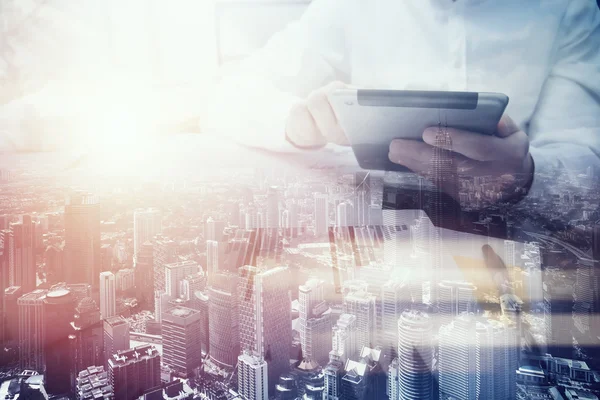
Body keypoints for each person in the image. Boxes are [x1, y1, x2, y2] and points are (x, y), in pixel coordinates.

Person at [205, 0, 600, 203]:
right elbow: (228, 96)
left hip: (509, 248)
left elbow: (587, 152)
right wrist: (298, 122)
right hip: (376, 244)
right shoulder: (351, 6)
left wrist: (526, 176)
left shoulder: (566, 8)